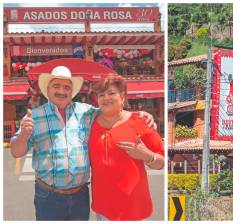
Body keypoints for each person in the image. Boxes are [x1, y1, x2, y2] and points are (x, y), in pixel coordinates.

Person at [10, 66, 155, 221]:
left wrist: (138, 115)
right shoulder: (35, 117)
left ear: (72, 92)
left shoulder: (86, 111)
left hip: (80, 195)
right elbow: (16, 152)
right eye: (56, 86)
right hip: (48, 196)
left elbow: (112, 110)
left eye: (67, 87)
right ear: (48, 89)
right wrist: (24, 134)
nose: (62, 91)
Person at [89, 75, 164, 221]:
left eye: (111, 93)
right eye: (101, 95)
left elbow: (161, 162)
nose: (106, 98)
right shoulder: (89, 123)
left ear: (122, 96)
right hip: (104, 208)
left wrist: (147, 155)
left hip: (134, 207)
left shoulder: (139, 123)